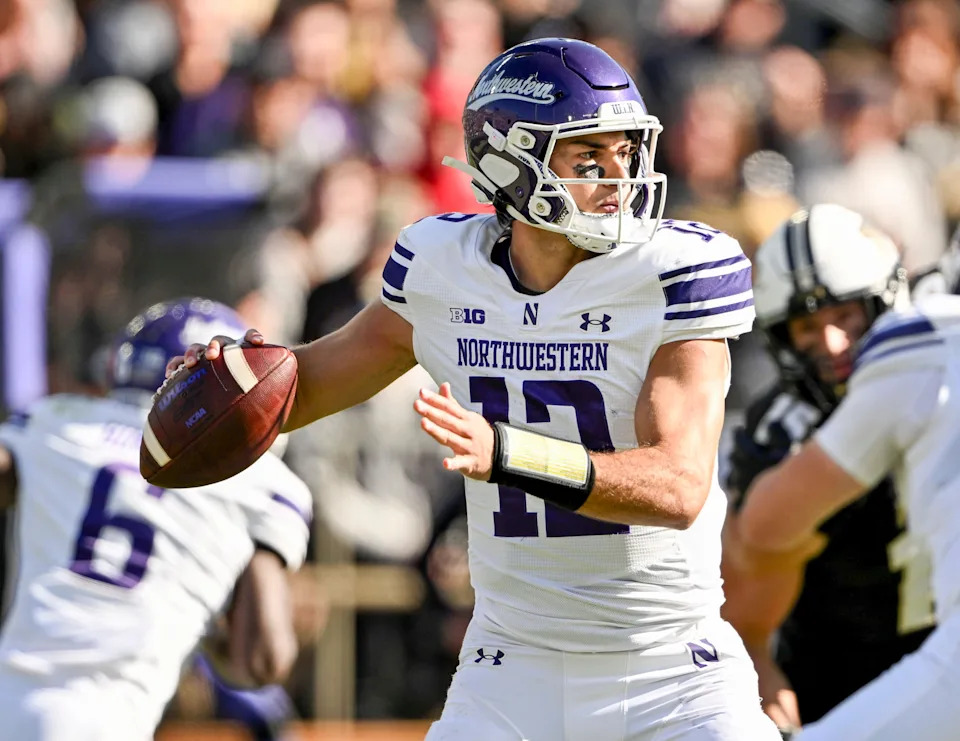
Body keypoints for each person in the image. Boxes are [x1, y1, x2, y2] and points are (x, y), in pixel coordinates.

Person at [175, 38, 780, 739]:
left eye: (626, 152)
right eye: (589, 157)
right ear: (506, 163)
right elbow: (302, 388)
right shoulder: (442, 268)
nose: (619, 177)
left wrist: (509, 452)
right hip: (512, 663)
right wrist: (221, 382)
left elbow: (679, 484)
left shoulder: (671, 270)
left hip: (667, 668)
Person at [0, 298, 312, 741]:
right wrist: (195, 612)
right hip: (114, 718)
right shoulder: (263, 484)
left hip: (9, 705)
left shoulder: (56, 421)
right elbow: (262, 660)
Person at [720, 204, 934, 736]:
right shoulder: (784, 434)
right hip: (838, 673)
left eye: (846, 316)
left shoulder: (938, 373)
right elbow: (747, 612)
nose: (833, 345)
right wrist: (763, 680)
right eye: (808, 327)